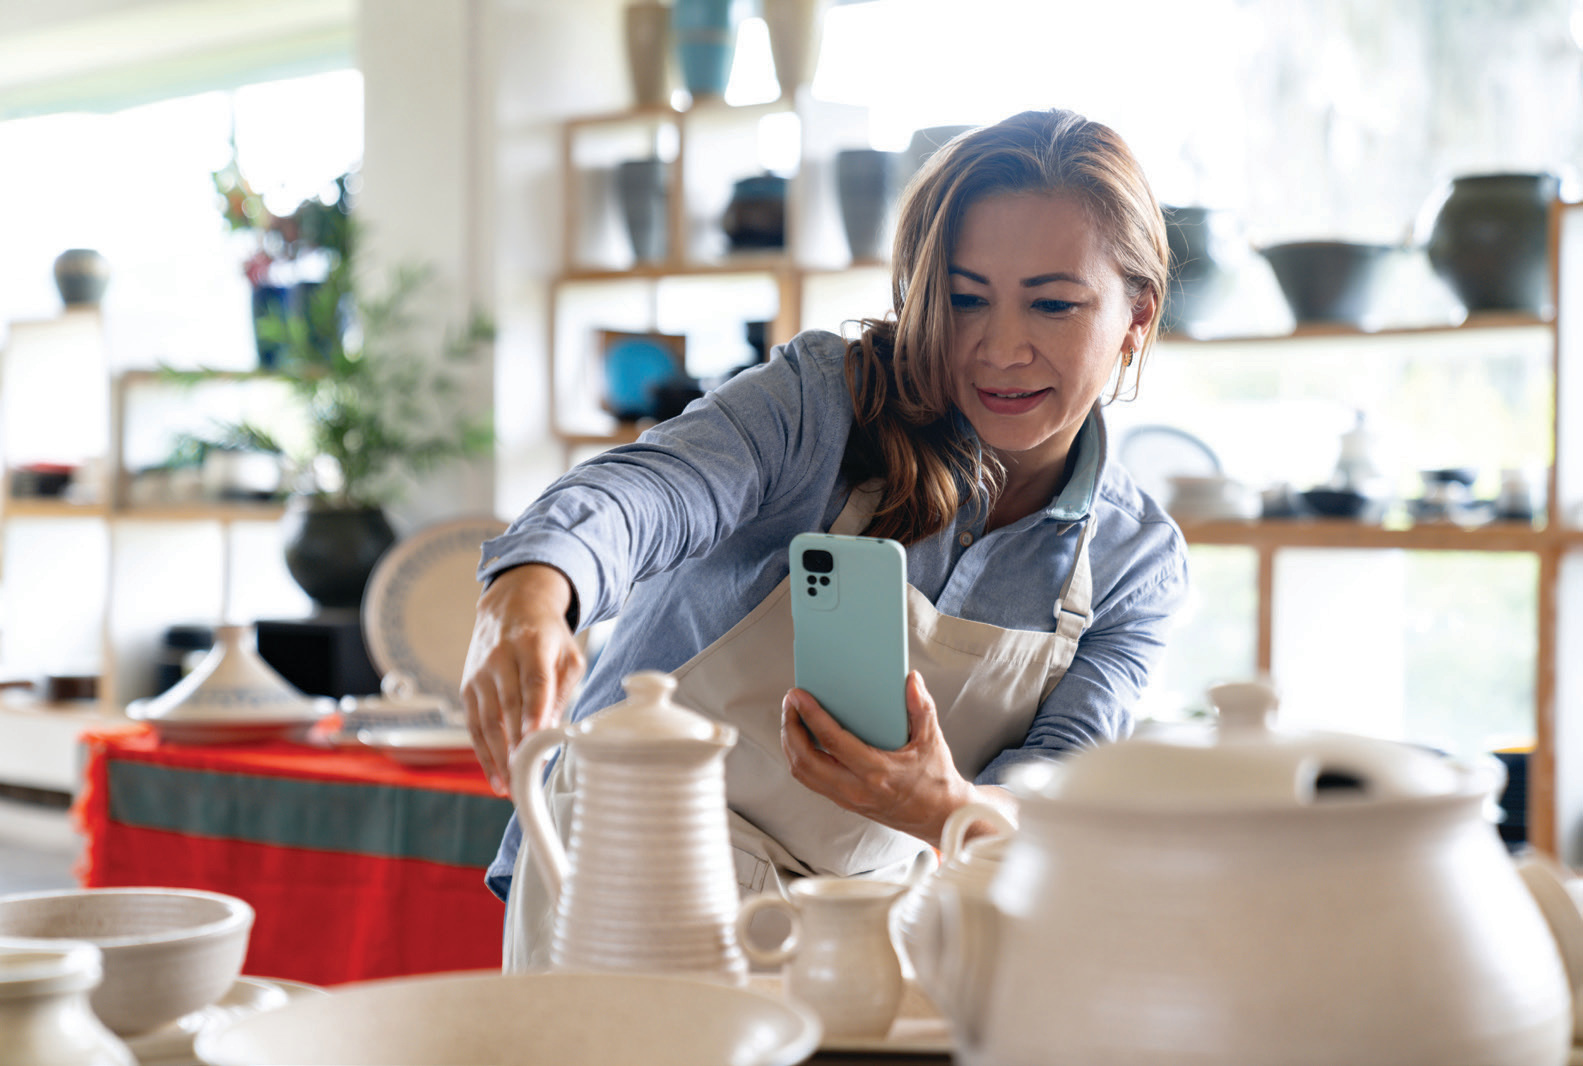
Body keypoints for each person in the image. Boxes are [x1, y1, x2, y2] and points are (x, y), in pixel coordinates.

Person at [461, 107, 1189, 970]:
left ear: (1135, 316)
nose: (1000, 348)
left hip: (865, 931)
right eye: (962, 300)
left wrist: (938, 805)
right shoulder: (823, 401)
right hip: (637, 869)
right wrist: (534, 588)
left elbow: (1057, 804)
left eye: (1052, 304)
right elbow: (648, 492)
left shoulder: (1135, 562)